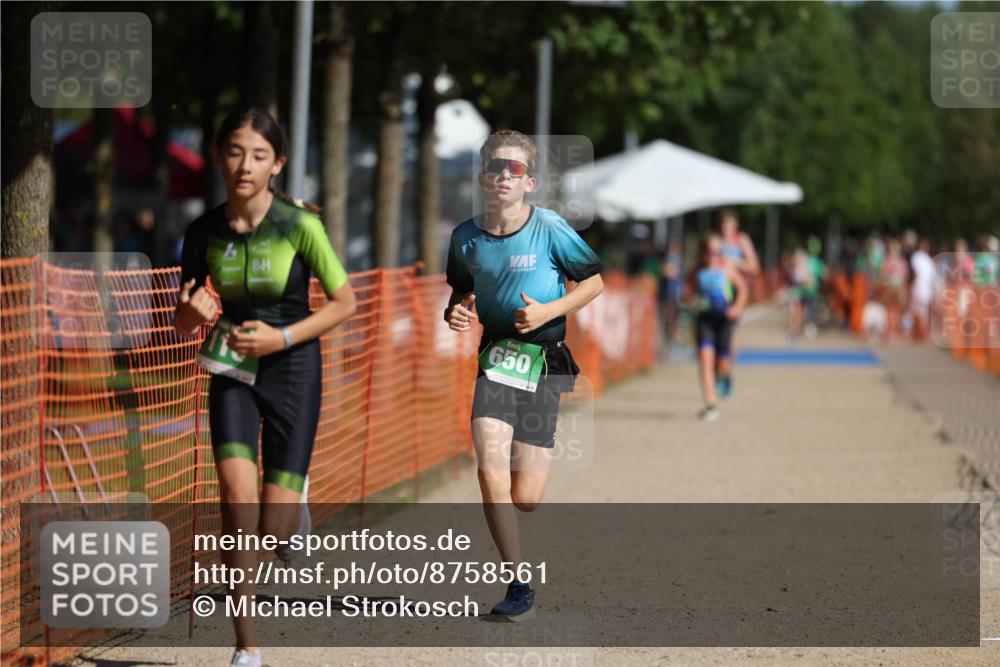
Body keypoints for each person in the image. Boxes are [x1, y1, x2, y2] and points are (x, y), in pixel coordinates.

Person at [173, 108, 357, 667]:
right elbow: (182, 320)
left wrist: (281, 338)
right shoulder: (202, 231)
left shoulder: (299, 225)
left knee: (272, 532)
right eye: (234, 152)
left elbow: (345, 304)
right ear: (217, 156)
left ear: (277, 164)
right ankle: (246, 647)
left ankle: (292, 513)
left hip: (293, 368)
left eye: (258, 155)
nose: (244, 166)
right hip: (232, 370)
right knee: (236, 503)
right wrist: (191, 314)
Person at [445, 130, 604, 620]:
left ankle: (528, 463)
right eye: (495, 166)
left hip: (545, 361)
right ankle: (518, 584)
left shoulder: (550, 227)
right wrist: (455, 312)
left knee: (526, 497)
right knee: (488, 470)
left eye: (514, 169)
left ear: (529, 182)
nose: (503, 175)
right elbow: (460, 293)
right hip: (496, 359)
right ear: (482, 177)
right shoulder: (465, 238)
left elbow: (594, 283)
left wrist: (548, 311)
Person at [685, 234, 748, 421]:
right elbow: (687, 294)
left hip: (724, 320)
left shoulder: (727, 269)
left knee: (722, 363)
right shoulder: (697, 272)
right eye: (709, 251)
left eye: (717, 252)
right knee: (705, 359)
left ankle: (725, 375)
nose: (713, 255)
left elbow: (743, 289)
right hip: (705, 320)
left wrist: (736, 308)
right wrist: (692, 302)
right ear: (702, 252)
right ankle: (710, 404)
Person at [909, 238, 936, 342]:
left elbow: (914, 273)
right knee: (922, 312)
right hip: (925, 289)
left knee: (919, 311)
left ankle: (920, 333)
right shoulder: (928, 260)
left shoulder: (917, 258)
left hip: (920, 288)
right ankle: (921, 333)